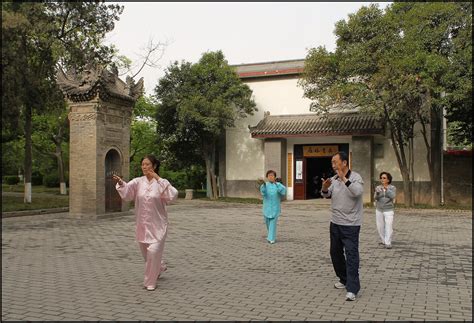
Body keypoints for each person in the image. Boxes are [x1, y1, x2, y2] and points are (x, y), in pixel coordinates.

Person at [113, 154, 178, 291]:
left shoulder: (161, 183)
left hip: (158, 225)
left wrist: (158, 178)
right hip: (142, 225)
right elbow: (128, 193)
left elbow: (172, 195)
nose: (145, 167)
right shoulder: (138, 182)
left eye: (148, 164)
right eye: (143, 164)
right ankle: (159, 267)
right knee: (147, 255)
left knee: (153, 251)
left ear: (154, 166)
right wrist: (120, 183)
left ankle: (150, 282)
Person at [321, 151, 364, 301]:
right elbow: (326, 195)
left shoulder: (356, 177)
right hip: (335, 223)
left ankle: (352, 288)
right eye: (332, 162)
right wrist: (325, 187)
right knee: (335, 253)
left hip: (351, 225)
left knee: (351, 255)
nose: (333, 165)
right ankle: (343, 279)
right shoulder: (333, 179)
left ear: (344, 163)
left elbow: (357, 192)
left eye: (335, 162)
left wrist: (343, 179)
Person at [260, 170, 287, 244]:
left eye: (272, 175)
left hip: (275, 208)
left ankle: (271, 239)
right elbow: (263, 193)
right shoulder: (264, 185)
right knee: (268, 223)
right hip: (267, 208)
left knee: (273, 223)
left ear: (275, 177)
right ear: (267, 177)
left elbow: (283, 192)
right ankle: (270, 235)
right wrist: (264, 186)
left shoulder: (278, 184)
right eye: (269, 176)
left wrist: (277, 184)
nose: (271, 177)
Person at [374, 171, 396, 249]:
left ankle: (388, 242)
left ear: (388, 179)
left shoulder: (392, 188)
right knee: (380, 226)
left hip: (388, 209)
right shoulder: (378, 187)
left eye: (384, 178)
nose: (382, 179)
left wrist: (386, 189)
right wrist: (377, 193)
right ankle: (383, 240)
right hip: (379, 209)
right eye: (381, 178)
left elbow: (393, 196)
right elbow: (375, 198)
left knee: (389, 225)